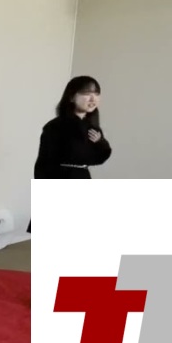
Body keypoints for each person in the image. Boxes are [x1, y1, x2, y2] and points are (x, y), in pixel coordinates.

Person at [27, 75, 112, 232]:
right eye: (86, 93)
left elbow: (98, 158)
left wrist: (101, 143)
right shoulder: (55, 126)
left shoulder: (92, 128)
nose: (93, 99)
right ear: (72, 97)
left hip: (82, 178)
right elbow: (44, 162)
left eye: (96, 94)